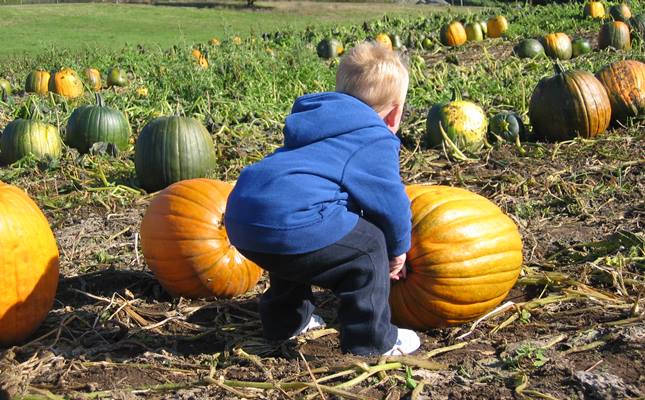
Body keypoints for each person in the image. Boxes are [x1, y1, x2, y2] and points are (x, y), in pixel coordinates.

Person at [224, 41, 420, 356]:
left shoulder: (315, 120)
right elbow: (391, 202)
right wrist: (397, 250)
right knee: (369, 247)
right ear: (395, 113)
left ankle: (287, 322)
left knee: (290, 248)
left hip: (243, 214)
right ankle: (372, 341)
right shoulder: (374, 137)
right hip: (290, 218)